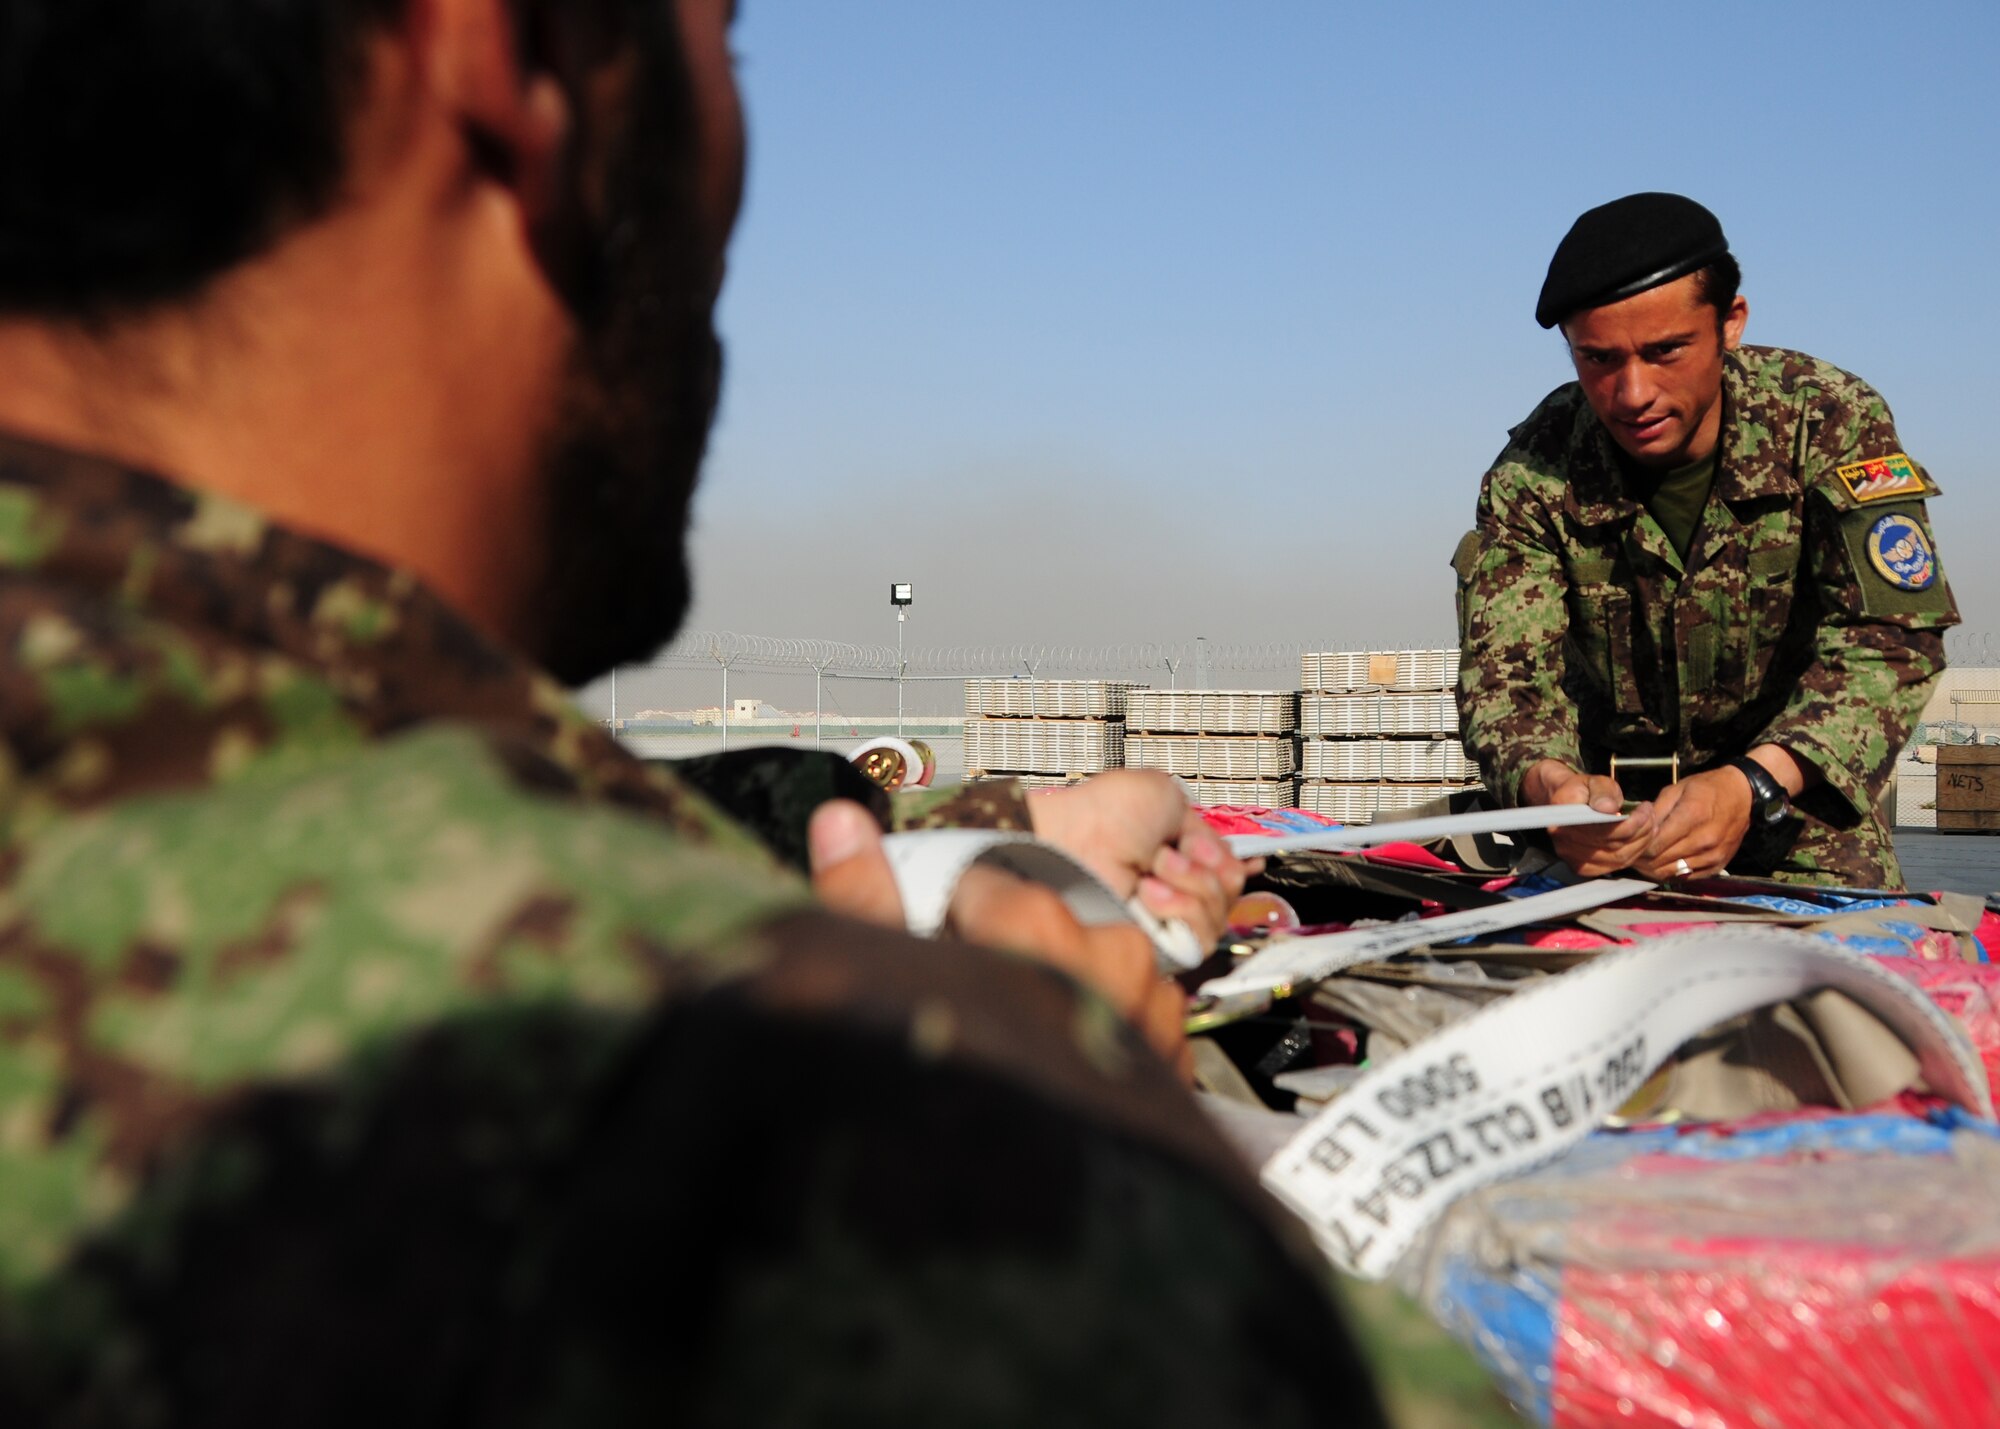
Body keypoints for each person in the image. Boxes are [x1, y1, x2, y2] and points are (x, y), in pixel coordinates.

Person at [0, 0, 1384, 1422]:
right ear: (516, 62)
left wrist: (974, 835)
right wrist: (1070, 1145)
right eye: (726, 38)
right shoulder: (758, 1177)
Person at [1455, 192, 1956, 889]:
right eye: (1598, 359)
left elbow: (1893, 637)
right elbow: (1507, 681)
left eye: (1665, 352)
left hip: (1794, 822)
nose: (1632, 393)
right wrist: (1550, 788)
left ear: (1730, 324)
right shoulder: (1536, 468)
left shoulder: (1826, 420)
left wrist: (1753, 782)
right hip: (1609, 836)